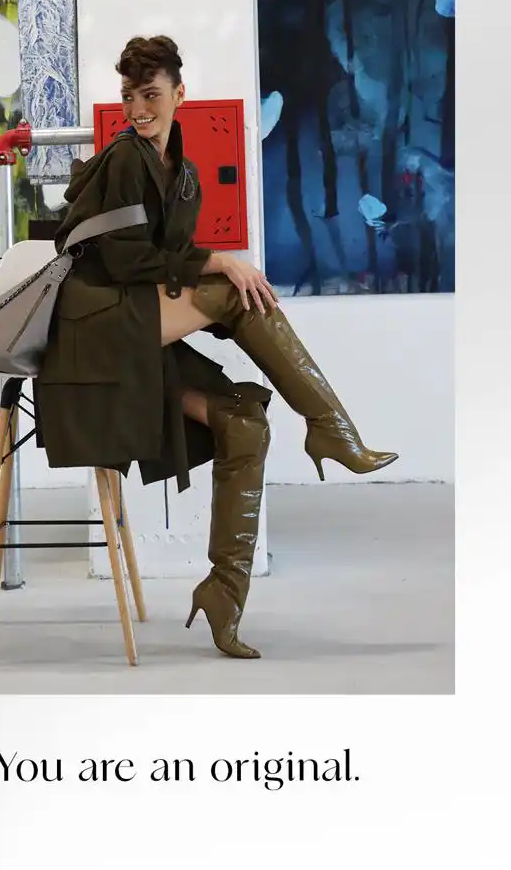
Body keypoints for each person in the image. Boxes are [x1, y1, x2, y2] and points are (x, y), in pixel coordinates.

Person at [35, 35, 398, 660]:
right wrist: (219, 264)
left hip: (134, 323)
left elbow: (168, 262)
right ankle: (331, 426)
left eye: (151, 95)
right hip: (92, 325)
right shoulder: (124, 159)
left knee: (246, 424)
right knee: (235, 289)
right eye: (129, 96)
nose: (138, 109)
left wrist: (210, 272)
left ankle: (224, 594)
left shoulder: (184, 176)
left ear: (180, 94)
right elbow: (124, 262)